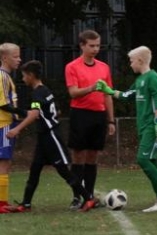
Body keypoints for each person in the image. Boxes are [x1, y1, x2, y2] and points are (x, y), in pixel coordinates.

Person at [5, 61, 95, 212]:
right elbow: (55, 111)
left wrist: (16, 129)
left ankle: (88, 198)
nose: (23, 79)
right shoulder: (46, 90)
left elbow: (34, 114)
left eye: (24, 75)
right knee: (34, 170)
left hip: (51, 136)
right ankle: (25, 204)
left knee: (64, 171)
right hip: (44, 137)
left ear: (31, 75)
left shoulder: (37, 93)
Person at [94, 46, 157, 212]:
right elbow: (126, 95)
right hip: (143, 126)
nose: (130, 64)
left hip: (152, 126)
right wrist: (108, 90)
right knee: (152, 160)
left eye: (131, 61)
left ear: (140, 61)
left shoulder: (153, 77)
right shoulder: (140, 80)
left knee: (143, 159)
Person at [64, 30, 115, 209]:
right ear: (82, 46)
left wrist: (111, 120)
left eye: (98, 46)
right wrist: (91, 88)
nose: (95, 49)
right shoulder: (72, 67)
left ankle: (90, 196)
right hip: (80, 114)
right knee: (78, 155)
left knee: (93, 156)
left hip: (98, 115)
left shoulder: (104, 67)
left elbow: (108, 95)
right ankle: (77, 196)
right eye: (91, 46)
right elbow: (73, 92)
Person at [0, 43, 23, 212]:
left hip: (8, 123)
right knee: (4, 162)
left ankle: (2, 202)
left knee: (5, 162)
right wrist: (25, 113)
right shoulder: (2, 76)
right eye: (15, 56)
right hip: (3, 124)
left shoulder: (6, 76)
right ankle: (1, 204)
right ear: (4, 58)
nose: (19, 60)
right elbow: (3, 104)